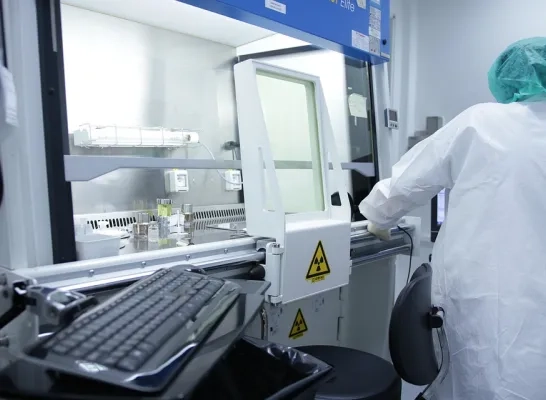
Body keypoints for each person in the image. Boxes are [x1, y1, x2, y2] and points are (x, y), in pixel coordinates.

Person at [359, 37, 546, 400]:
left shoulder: (483, 122)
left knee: (479, 379)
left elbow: (412, 179)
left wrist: (377, 216)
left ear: (509, 78)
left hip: (485, 295)